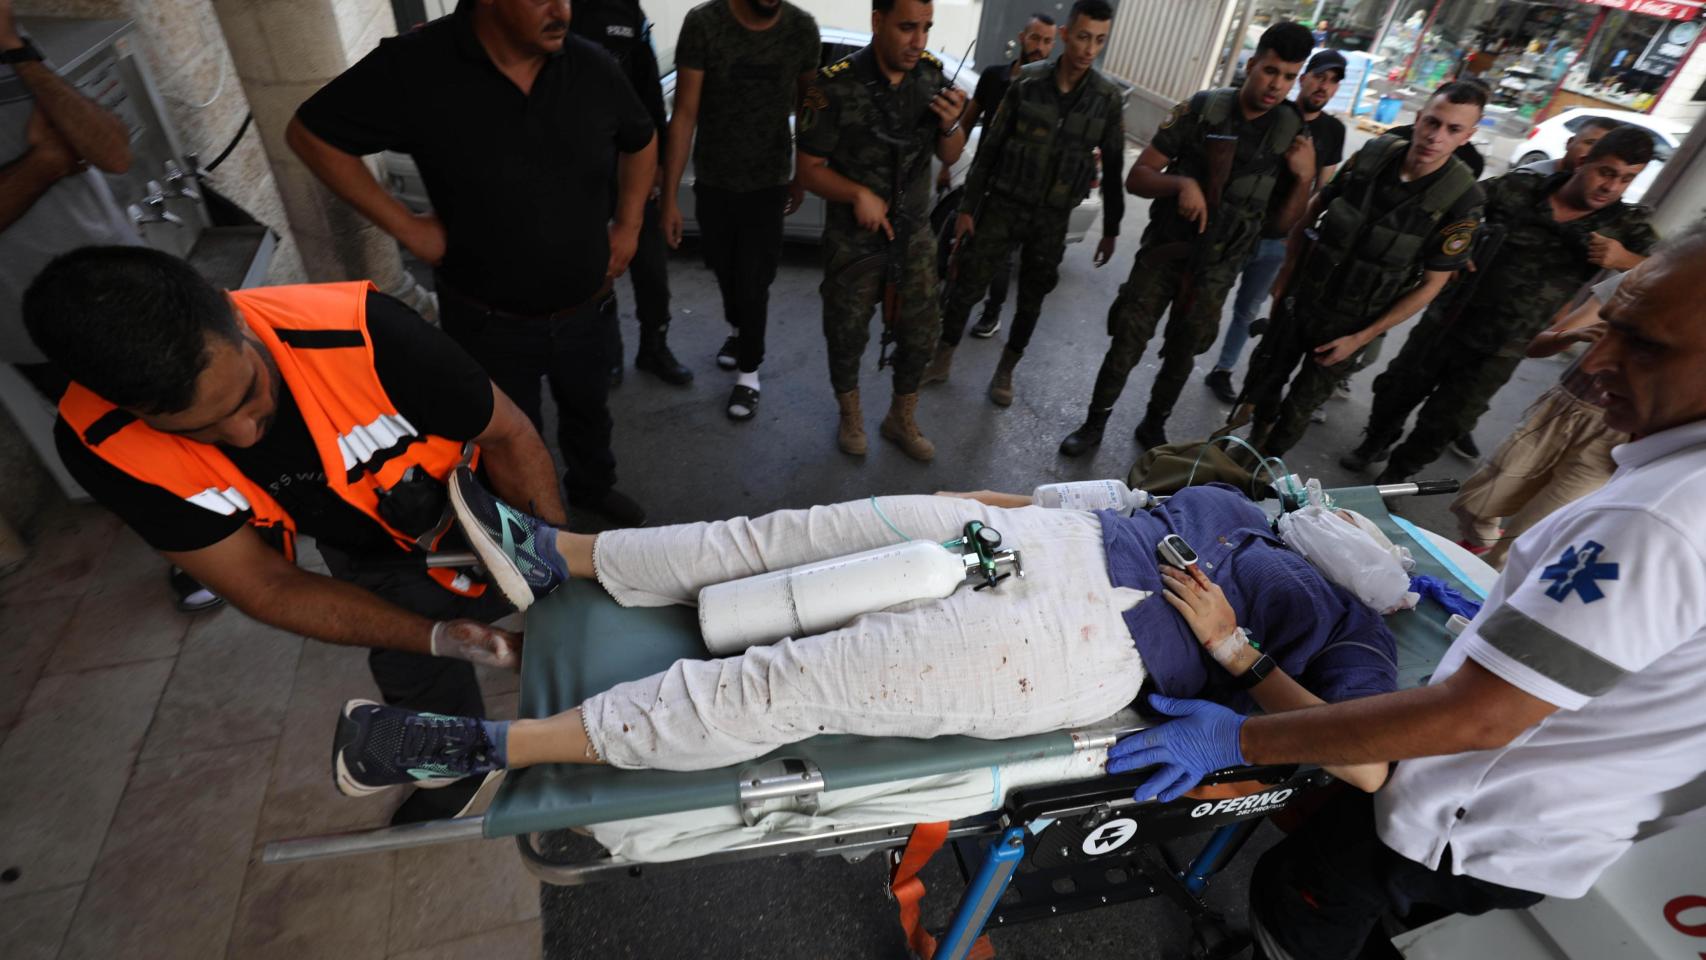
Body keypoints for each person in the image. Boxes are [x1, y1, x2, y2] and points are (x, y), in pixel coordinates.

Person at [1104, 231, 1706, 960]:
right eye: (1607, 329)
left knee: (1299, 903)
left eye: (1644, 345)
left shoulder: (1656, 521)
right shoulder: (1665, 495)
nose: (1597, 361)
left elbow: (1472, 719)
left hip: (1474, 817)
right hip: (1549, 820)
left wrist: (1239, 701)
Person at [330, 472, 1401, 792]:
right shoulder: (1244, 503)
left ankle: (474, 750)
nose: (1353, 531)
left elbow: (1364, 766)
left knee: (792, 685)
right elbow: (1115, 497)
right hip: (1038, 538)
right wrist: (1005, 502)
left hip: (1090, 648)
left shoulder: (1359, 631)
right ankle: (554, 556)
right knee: (774, 536)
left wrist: (1237, 660)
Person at [24, 245, 566, 823]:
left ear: (234, 316)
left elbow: (508, 437)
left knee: (572, 635)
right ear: (128, 407)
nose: (242, 435)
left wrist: (557, 590)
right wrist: (439, 637)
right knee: (415, 673)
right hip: (369, 554)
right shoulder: (103, 446)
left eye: (247, 393)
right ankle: (459, 781)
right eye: (199, 430)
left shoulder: (362, 332)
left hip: (480, 512)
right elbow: (265, 585)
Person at [286, 0, 655, 527]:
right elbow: (311, 135)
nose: (563, 10)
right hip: (488, 322)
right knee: (500, 438)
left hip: (586, 309)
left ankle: (593, 488)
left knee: (590, 413)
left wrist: (630, 224)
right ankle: (526, 531)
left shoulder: (591, 65)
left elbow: (640, 139)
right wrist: (407, 226)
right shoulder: (417, 67)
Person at [0, 7, 227, 614]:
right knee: (124, 447)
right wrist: (47, 163)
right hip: (36, 322)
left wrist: (16, 50)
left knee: (197, 399)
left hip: (130, 282)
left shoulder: (22, 59)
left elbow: (113, 151)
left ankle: (248, 515)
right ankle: (195, 557)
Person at [1342, 125, 1657, 483]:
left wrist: (1624, 258)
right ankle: (1374, 443)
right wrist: (1461, 246)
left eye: (1627, 179)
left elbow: (1674, 270)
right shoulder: (1520, 187)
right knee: (1394, 390)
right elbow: (1457, 210)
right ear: (1584, 161)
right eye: (1607, 172)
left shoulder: (1625, 225)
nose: (1612, 187)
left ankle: (1396, 478)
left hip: (1504, 345)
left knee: (1448, 421)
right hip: (1448, 319)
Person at [1059, 21, 1316, 458]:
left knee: (1184, 350)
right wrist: (1181, 184)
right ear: (1251, 64)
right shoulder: (1202, 109)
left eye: (1290, 76)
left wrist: (1304, 177)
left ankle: (1154, 424)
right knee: (1128, 338)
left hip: (1218, 267)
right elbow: (1138, 176)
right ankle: (1094, 423)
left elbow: (1279, 226)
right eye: (1271, 71)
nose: (1278, 85)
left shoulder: (1292, 130)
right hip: (1165, 253)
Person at [1235, 82, 1487, 459]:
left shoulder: (1462, 200)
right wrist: (1284, 278)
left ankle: (1259, 473)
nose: (1436, 137)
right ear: (1418, 119)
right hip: (1303, 298)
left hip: (1351, 326)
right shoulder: (1374, 155)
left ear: (1470, 135)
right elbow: (1317, 206)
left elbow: (1430, 285)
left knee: (1298, 409)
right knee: (1264, 381)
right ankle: (1249, 445)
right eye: (1432, 122)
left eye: (1453, 130)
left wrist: (1362, 338)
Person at [921, 0, 1125, 408]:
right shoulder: (1028, 82)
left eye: (1099, 41)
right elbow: (990, 149)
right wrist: (966, 209)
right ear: (1067, 35)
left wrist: (1112, 229)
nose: (1089, 49)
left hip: (1051, 219)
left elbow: (1115, 166)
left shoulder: (1106, 98)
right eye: (1083, 37)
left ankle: (1006, 371)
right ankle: (942, 357)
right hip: (1003, 206)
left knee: (1032, 298)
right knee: (967, 284)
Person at [794, 0, 968, 462]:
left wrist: (953, 123)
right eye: (907, 28)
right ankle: (850, 415)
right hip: (853, 239)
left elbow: (950, 154)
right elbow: (808, 170)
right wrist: (855, 193)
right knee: (846, 332)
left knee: (921, 332)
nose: (919, 41)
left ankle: (900, 418)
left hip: (913, 234)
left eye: (926, 29)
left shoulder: (931, 78)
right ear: (877, 21)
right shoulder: (832, 87)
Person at [658, 0, 820, 421]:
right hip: (715, 182)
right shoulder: (704, 24)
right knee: (724, 269)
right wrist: (670, 196)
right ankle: (738, 330)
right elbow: (686, 112)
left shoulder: (801, 28)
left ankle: (749, 373)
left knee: (754, 281)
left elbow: (810, 106)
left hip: (768, 184)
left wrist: (803, 173)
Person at [1450, 276, 1626, 569]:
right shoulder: (1641, 280)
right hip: (1562, 408)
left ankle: (1483, 595)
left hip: (1617, 436)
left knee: (1532, 535)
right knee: (1476, 501)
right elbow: (1539, 345)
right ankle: (1483, 546)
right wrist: (1574, 335)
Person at [1203, 49, 1348, 405]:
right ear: (1304, 78)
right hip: (1237, 225)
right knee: (1208, 296)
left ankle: (1223, 370)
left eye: (1332, 82)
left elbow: (1323, 190)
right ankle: (1181, 356)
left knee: (1248, 309)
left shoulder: (1333, 131)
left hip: (1278, 240)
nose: (1323, 86)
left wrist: (1298, 242)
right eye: (1319, 77)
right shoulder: (1275, 113)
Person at [572, 0, 694, 389]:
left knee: (651, 268)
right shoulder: (556, 9)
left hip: (633, 162)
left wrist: (656, 162)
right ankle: (607, 353)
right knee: (592, 270)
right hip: (578, 167)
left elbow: (649, 88)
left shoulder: (628, 11)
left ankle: (654, 348)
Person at [933, 12, 1057, 341]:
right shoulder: (994, 78)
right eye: (1035, 38)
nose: (1039, 47)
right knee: (954, 240)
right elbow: (965, 122)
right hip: (980, 181)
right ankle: (946, 304)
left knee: (1001, 260)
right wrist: (947, 166)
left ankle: (992, 312)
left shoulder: (1050, 91)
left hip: (1016, 193)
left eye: (1047, 41)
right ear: (1021, 37)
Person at [1519, 114, 1622, 177]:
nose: (1594, 153)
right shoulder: (1528, 177)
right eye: (1590, 143)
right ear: (1570, 143)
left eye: (1604, 149)